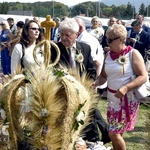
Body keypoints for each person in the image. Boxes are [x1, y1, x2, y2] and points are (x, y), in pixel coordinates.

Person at [51, 18, 110, 144]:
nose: (64, 38)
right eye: (62, 34)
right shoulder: (54, 49)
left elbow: (90, 69)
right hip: (63, 93)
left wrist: (91, 82)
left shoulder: (85, 48)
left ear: (76, 34)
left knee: (87, 115)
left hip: (83, 91)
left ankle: (92, 141)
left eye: (68, 35)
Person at [93, 24, 147, 150]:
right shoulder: (108, 56)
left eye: (111, 40)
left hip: (127, 101)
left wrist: (126, 88)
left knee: (113, 133)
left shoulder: (133, 54)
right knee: (117, 134)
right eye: (107, 39)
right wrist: (95, 83)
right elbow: (103, 76)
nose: (108, 42)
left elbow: (143, 76)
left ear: (121, 39)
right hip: (112, 101)